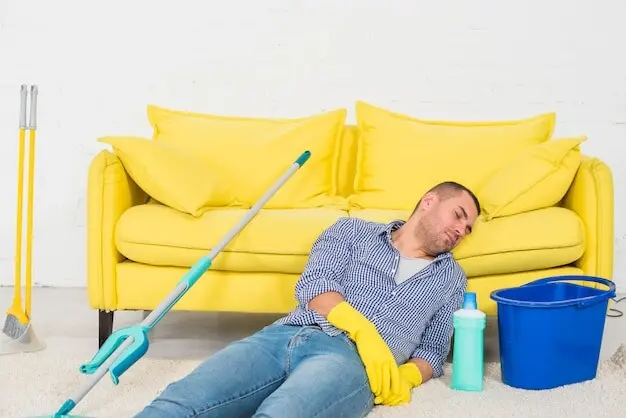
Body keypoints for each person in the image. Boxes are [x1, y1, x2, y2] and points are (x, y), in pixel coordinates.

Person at [134, 181, 480, 418]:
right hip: (281, 337)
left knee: (282, 413)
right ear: (429, 201)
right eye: (458, 215)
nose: (460, 231)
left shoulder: (451, 279)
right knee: (181, 402)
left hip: (351, 362)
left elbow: (432, 351)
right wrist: (362, 329)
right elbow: (314, 284)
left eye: (468, 230)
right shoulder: (351, 231)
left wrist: (405, 376)